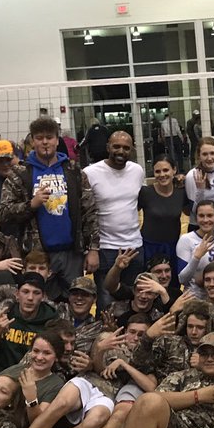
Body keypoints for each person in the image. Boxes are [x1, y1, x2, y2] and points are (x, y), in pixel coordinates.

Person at [0, 115, 101, 288]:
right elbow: (3, 213)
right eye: (39, 138)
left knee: (75, 303)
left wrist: (93, 249)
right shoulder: (20, 174)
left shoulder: (73, 171)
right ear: (32, 141)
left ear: (57, 139)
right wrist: (30, 205)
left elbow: (89, 211)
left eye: (49, 137)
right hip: (37, 256)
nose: (45, 142)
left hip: (71, 253)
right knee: (39, 303)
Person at [83, 130, 146, 304]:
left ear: (132, 150)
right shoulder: (90, 173)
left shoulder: (137, 171)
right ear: (108, 147)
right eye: (116, 146)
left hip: (134, 247)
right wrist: (91, 250)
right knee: (106, 303)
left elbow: (140, 201)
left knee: (134, 300)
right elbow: (85, 213)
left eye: (126, 148)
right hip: (106, 248)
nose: (120, 151)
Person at [0, 272, 61, 376]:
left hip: (33, 378)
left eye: (36, 293)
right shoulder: (2, 316)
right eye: (25, 292)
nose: (30, 298)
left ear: (43, 297)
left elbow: (54, 363)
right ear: (17, 294)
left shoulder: (52, 323)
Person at [137, 156, 191, 270]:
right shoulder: (145, 192)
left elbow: (188, 212)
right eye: (157, 171)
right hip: (149, 247)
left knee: (172, 284)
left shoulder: (181, 193)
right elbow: (131, 214)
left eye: (166, 170)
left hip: (173, 247)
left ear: (174, 170)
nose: (162, 174)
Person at [185, 136, 214, 217]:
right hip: (199, 224)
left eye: (212, 153)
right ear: (199, 156)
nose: (209, 158)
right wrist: (200, 190)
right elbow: (193, 210)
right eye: (204, 154)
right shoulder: (192, 175)